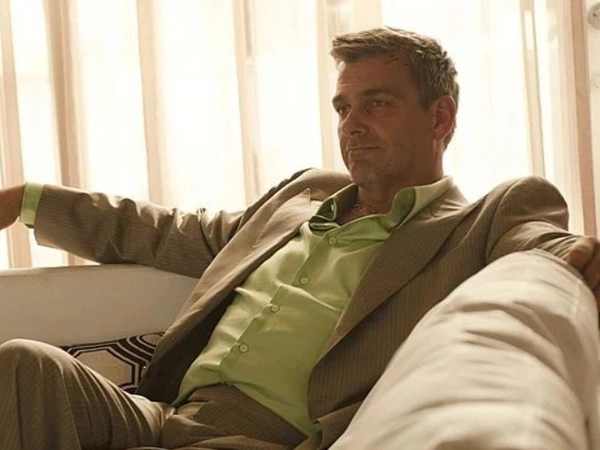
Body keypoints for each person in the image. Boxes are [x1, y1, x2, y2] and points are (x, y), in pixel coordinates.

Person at [0, 26, 599, 450]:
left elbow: (539, 245)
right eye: (343, 108)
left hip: (271, 437)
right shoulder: (304, 195)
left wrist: (570, 261)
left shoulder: (481, 221)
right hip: (162, 414)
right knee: (25, 363)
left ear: (439, 118)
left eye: (376, 104)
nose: (352, 125)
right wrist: (27, 199)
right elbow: (169, 232)